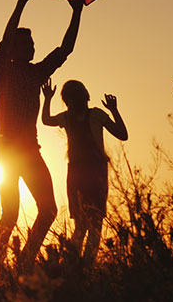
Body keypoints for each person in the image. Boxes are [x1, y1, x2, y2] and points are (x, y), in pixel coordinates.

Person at [0, 0, 85, 268]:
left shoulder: (36, 73)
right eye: (27, 43)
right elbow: (5, 41)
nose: (32, 47)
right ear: (14, 50)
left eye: (32, 42)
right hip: (6, 153)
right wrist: (20, 3)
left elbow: (65, 49)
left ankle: (25, 260)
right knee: (10, 214)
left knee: (48, 209)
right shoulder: (1, 72)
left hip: (30, 151)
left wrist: (77, 12)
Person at [41, 78, 127, 263]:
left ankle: (79, 266)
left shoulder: (87, 116)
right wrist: (114, 110)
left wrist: (48, 98)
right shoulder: (89, 115)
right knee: (88, 224)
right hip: (87, 173)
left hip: (86, 173)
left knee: (87, 224)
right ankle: (80, 266)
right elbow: (123, 134)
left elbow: (46, 120)